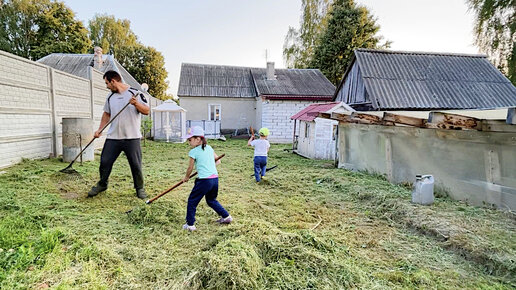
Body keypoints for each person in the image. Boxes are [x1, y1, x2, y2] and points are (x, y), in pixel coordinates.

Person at [88, 70, 150, 199]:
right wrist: (99, 130)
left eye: (107, 83)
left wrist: (136, 103)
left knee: (135, 164)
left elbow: (146, 111)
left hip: (132, 137)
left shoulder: (135, 93)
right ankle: (102, 184)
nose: (106, 86)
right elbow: (107, 114)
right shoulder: (110, 97)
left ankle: (140, 188)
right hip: (113, 137)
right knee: (105, 161)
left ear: (113, 81)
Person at [182, 126, 232, 231]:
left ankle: (190, 225)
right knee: (211, 200)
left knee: (192, 201)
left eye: (190, 139)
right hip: (214, 179)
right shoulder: (209, 148)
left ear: (198, 139)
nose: (189, 142)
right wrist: (208, 165)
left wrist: (186, 177)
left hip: (204, 181)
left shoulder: (193, 152)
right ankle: (226, 217)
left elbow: (190, 167)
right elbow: (218, 162)